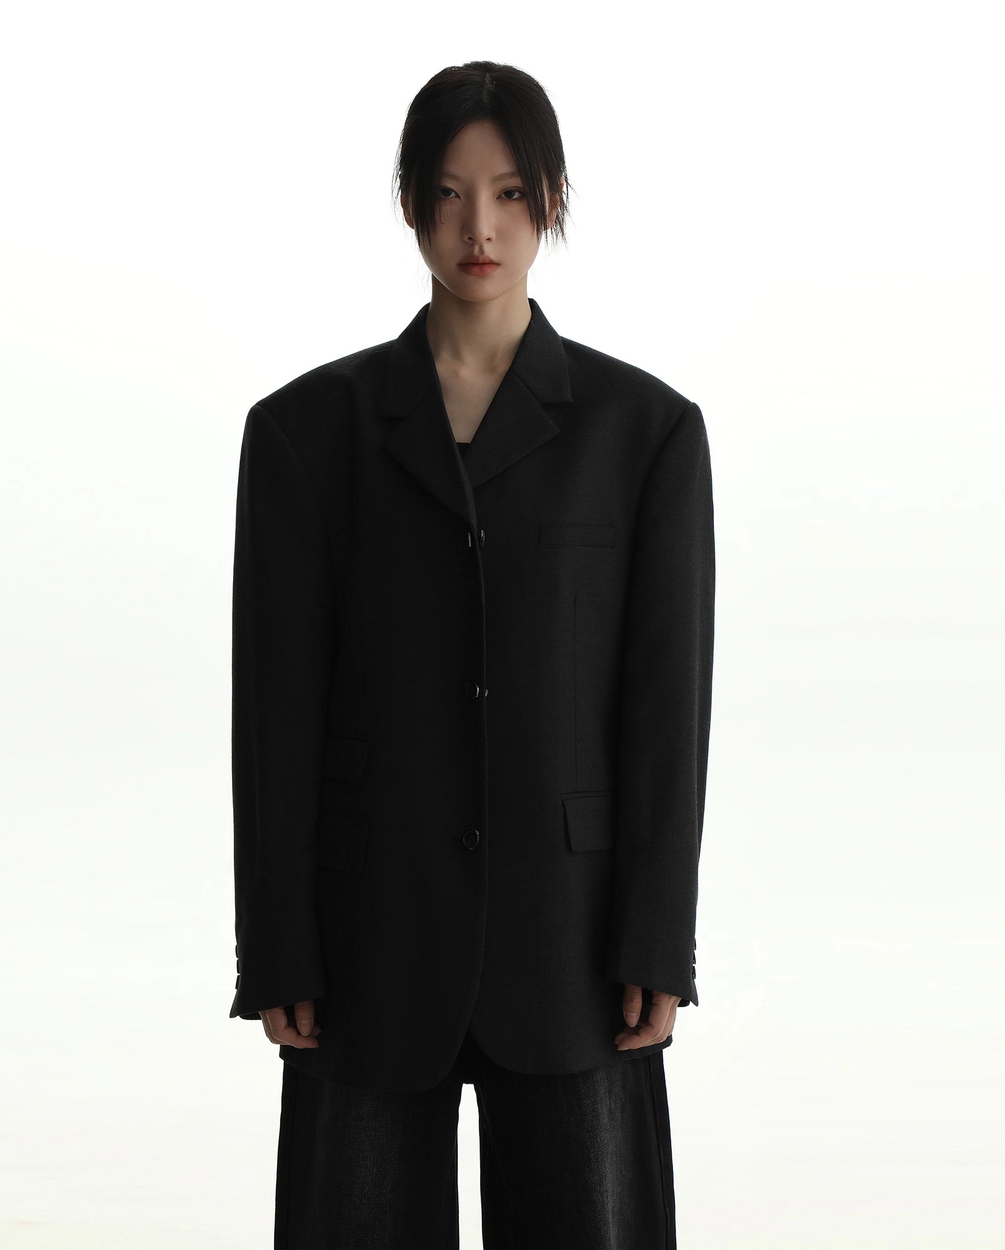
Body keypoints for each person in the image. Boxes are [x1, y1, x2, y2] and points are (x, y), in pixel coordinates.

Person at [229, 60, 716, 1249]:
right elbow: (274, 712)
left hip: (575, 937)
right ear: (409, 204)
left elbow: (663, 707)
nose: (478, 228)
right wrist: (278, 941)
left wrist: (657, 932)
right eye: (448, 194)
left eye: (507, 193)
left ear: (550, 200)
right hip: (367, 929)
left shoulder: (644, 433)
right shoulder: (306, 433)